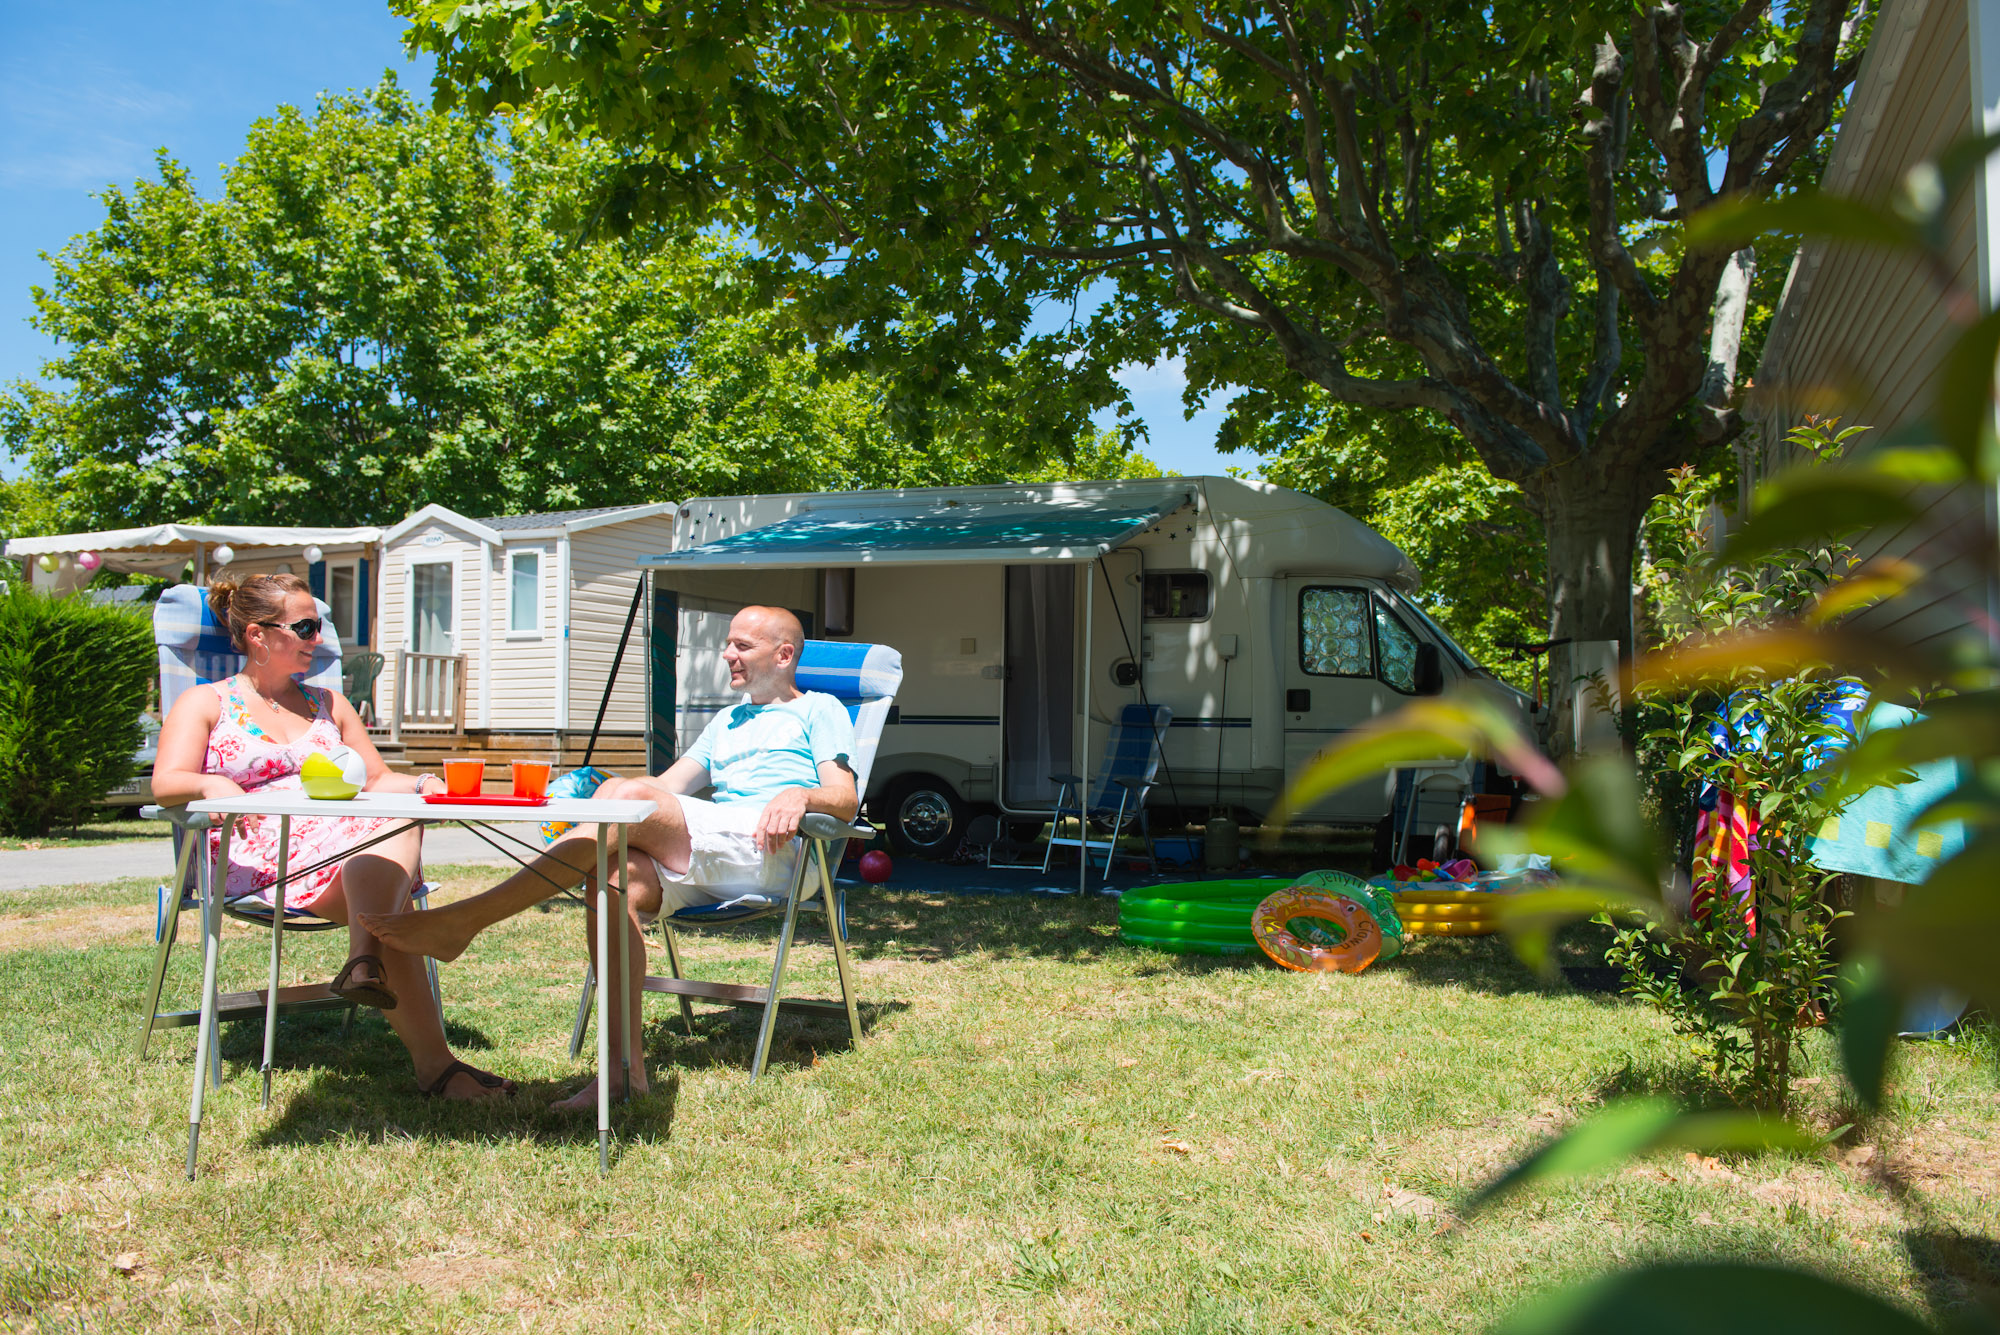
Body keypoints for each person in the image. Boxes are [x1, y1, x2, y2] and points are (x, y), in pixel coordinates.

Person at [363, 605, 857, 1110]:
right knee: (612, 876)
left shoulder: (820, 710)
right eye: (727, 643)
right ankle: (623, 1073)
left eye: (742, 646)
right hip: (712, 853)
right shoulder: (727, 720)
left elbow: (845, 798)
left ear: (784, 654)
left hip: (774, 850)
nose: (727, 654)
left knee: (624, 797)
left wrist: (801, 795)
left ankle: (467, 919)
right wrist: (594, 793)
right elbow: (664, 788)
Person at [151, 573, 514, 1101]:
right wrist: (212, 783)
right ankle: (429, 1057)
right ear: (257, 635)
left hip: (343, 846)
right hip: (257, 856)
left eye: (318, 626)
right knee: (392, 908)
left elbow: (376, 780)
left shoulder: (329, 704)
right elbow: (166, 782)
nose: (317, 639)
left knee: (398, 823)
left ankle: (366, 965)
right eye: (304, 628)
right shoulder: (206, 703)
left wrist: (423, 784)